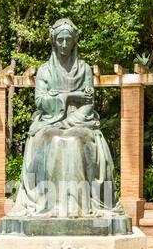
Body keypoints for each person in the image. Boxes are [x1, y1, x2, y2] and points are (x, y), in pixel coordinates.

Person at [11, 18, 123, 218]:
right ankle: (49, 204)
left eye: (68, 40)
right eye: (60, 40)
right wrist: (71, 97)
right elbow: (40, 101)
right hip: (49, 121)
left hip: (80, 121)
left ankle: (76, 206)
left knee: (75, 140)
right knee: (51, 139)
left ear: (74, 41)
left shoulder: (84, 69)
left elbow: (89, 103)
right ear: (54, 41)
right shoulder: (45, 70)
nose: (64, 44)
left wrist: (72, 119)